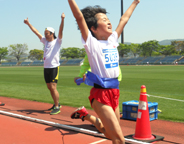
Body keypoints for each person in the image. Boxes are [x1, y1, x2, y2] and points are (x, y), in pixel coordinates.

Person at [68, 0, 140, 144]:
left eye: (108, 19)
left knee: (109, 134)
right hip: (100, 95)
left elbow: (124, 19)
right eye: (104, 20)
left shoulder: (113, 40)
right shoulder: (91, 43)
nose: (109, 22)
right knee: (119, 140)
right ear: (93, 28)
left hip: (114, 93)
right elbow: (79, 17)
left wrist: (135, 2)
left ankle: (87, 116)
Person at [24, 13, 65, 115]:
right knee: (49, 87)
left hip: (54, 67)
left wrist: (62, 19)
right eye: (45, 33)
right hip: (46, 67)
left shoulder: (57, 41)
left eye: (47, 33)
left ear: (52, 34)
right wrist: (28, 23)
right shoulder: (45, 41)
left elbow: (61, 30)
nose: (45, 35)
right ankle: (56, 104)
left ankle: (57, 106)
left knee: (53, 87)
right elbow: (36, 32)